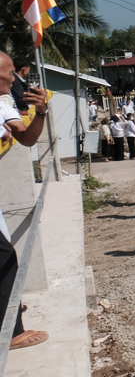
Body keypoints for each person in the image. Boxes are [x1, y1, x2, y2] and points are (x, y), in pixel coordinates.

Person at [0, 51, 49, 350]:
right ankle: (12, 332)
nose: (14, 79)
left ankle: (10, 313)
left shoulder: (3, 102)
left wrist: (42, 112)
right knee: (5, 258)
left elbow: (27, 138)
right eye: (9, 74)